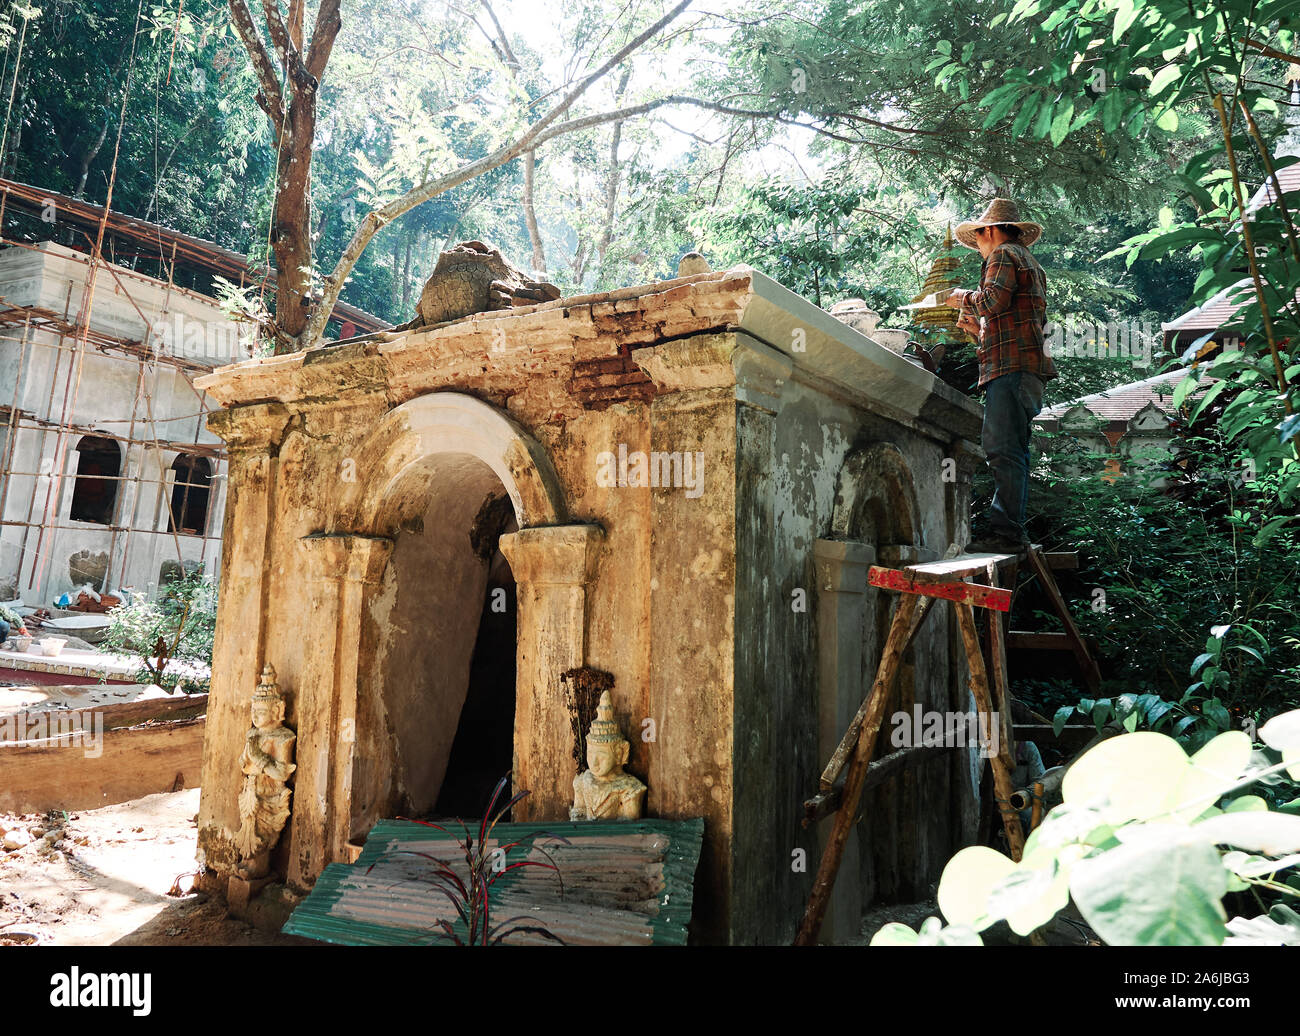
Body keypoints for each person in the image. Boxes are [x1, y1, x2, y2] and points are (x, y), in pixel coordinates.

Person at [944, 198, 1056, 553]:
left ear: (989, 231)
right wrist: (978, 331)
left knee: (1002, 450)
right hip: (1024, 369)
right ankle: (1009, 530)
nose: (977, 247)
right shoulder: (1030, 263)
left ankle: (1006, 534)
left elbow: (991, 301)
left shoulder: (1004, 255)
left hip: (1012, 370)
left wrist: (959, 297)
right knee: (1013, 450)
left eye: (978, 238)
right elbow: (1013, 321)